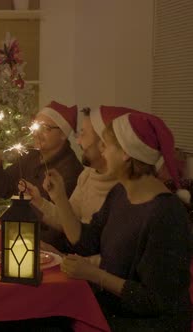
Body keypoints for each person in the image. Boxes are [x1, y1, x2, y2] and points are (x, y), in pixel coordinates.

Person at [44, 112, 191, 331]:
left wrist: (95, 275)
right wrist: (60, 198)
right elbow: (85, 242)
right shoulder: (120, 193)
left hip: (143, 322)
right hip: (110, 305)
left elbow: (156, 300)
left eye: (106, 145)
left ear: (125, 153)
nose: (101, 149)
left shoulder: (166, 215)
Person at [24, 106, 136, 254]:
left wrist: (65, 258)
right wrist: (40, 201)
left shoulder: (127, 190)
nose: (77, 141)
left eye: (83, 133)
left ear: (105, 141)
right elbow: (71, 223)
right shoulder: (88, 175)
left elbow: (117, 258)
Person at [0, 101, 83, 250]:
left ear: (62, 134)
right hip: (19, 236)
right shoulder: (31, 156)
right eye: (35, 126)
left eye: (45, 128)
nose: (36, 133)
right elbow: (2, 190)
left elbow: (60, 225)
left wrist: (23, 243)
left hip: (42, 248)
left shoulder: (70, 171)